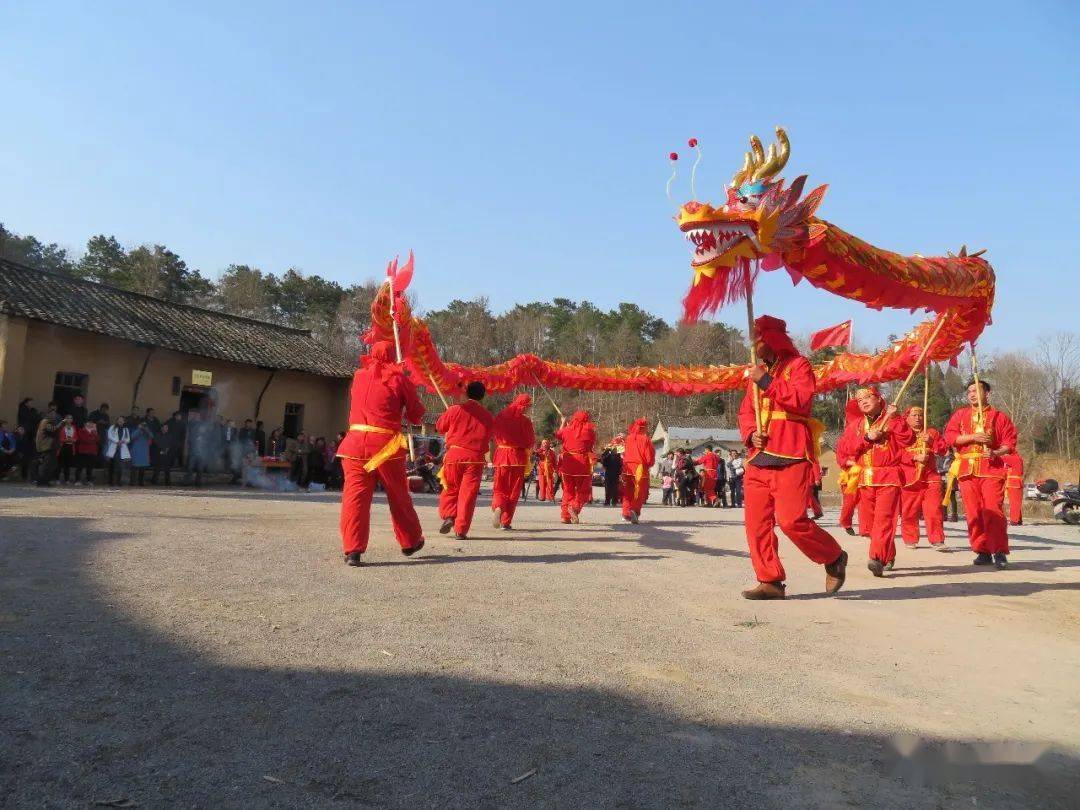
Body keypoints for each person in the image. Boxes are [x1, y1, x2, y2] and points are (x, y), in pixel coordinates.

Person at [739, 315, 848, 600]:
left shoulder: (799, 366)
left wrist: (765, 380)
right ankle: (770, 580)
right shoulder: (757, 372)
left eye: (758, 338)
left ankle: (833, 556)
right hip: (758, 458)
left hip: (791, 454)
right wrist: (751, 434)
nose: (754, 344)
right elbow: (746, 413)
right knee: (756, 524)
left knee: (791, 521)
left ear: (772, 339)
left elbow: (801, 401)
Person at [336, 341, 427, 565]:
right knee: (398, 496)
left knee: (354, 498)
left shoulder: (358, 376)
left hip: (354, 445)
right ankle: (410, 541)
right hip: (386, 447)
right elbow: (416, 413)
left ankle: (353, 549)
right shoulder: (398, 378)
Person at [837, 387, 913, 576]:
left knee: (884, 519)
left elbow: (908, 440)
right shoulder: (855, 426)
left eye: (867, 397)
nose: (863, 401)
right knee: (870, 525)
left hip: (888, 477)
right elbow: (845, 450)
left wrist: (895, 419)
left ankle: (876, 558)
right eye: (859, 399)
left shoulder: (892, 419)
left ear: (879, 399)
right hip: (864, 479)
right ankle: (887, 553)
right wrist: (866, 438)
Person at [943, 379, 1018, 568]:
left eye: (976, 390)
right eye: (969, 391)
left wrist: (995, 452)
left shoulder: (999, 417)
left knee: (993, 510)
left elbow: (1009, 443)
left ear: (987, 393)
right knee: (973, 512)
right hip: (967, 470)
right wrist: (972, 437)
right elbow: (950, 437)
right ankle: (981, 550)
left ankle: (999, 551)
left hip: (991, 469)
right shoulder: (960, 415)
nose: (972, 394)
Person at [437, 381, 495, 539]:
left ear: (467, 392)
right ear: (482, 396)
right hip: (475, 458)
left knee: (451, 489)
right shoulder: (488, 417)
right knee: (467, 495)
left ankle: (449, 515)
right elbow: (489, 438)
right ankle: (461, 529)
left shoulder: (455, 409)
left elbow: (440, 427)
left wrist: (449, 415)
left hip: (455, 455)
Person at [898, 406, 948, 549]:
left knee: (934, 509)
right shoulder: (901, 434)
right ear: (906, 418)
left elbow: (944, 450)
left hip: (930, 477)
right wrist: (914, 457)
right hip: (909, 478)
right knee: (909, 511)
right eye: (914, 415)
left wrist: (932, 441)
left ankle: (937, 539)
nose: (918, 418)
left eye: (920, 415)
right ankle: (910, 538)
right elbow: (896, 454)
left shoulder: (931, 432)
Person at [490, 394, 535, 531]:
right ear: (525, 406)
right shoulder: (525, 421)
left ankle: (498, 507)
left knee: (500, 488)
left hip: (502, 456)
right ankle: (506, 522)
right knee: (513, 491)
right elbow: (529, 442)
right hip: (518, 457)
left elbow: (494, 434)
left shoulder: (500, 416)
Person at [555, 410, 597, 524]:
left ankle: (565, 516)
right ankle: (574, 507)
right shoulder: (589, 431)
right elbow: (591, 445)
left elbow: (558, 435)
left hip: (568, 463)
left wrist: (563, 423)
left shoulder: (567, 430)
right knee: (584, 490)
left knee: (568, 491)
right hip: (582, 464)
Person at [620, 418, 655, 524]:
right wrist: (650, 464)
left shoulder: (628, 438)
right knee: (639, 492)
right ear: (644, 428)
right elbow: (649, 457)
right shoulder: (645, 439)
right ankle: (634, 510)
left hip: (627, 468)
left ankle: (626, 513)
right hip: (640, 468)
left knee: (628, 492)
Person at [34, 403, 61, 486]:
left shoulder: (49, 421)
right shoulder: (46, 421)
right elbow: (52, 430)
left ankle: (46, 480)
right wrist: (61, 423)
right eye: (52, 414)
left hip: (50, 446)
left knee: (52, 465)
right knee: (46, 465)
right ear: (48, 414)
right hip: (47, 446)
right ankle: (41, 481)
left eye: (55, 414)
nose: (54, 415)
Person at [105, 416, 131, 486]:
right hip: (114, 448)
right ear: (116, 421)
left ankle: (118, 481)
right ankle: (111, 482)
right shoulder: (112, 427)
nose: (120, 421)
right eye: (119, 419)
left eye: (122, 420)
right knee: (112, 465)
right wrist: (117, 441)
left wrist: (123, 441)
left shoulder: (125, 429)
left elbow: (128, 439)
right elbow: (109, 436)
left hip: (121, 449)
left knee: (120, 466)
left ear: (124, 421)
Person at [73, 421, 100, 485]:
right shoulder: (81, 430)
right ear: (85, 424)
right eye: (89, 423)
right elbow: (84, 439)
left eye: (92, 423)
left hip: (92, 451)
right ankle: (77, 480)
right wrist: (92, 438)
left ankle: (89, 480)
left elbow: (98, 440)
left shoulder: (94, 432)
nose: (91, 424)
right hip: (83, 451)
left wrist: (95, 433)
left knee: (90, 467)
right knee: (80, 466)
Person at [600, 440, 623, 507]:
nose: (614, 450)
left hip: (614, 473)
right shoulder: (608, 455)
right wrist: (607, 451)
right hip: (609, 473)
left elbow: (620, 465)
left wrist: (619, 473)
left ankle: (613, 501)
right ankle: (608, 501)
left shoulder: (617, 456)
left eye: (615, 449)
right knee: (608, 488)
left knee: (614, 488)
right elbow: (603, 461)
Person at [1003, 452, 1024, 526]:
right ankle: (1018, 520)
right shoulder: (1016, 458)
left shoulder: (1014, 458)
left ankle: (1014, 520)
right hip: (1013, 483)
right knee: (1016, 502)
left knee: (1014, 502)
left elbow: (1001, 458)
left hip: (1014, 483)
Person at [56, 415, 78, 483]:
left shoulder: (74, 427)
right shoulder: (62, 427)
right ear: (65, 419)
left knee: (67, 464)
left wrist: (73, 440)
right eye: (68, 418)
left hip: (71, 446)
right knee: (60, 463)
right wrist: (65, 440)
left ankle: (67, 479)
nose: (69, 419)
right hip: (63, 446)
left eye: (71, 418)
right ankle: (57, 479)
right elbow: (59, 437)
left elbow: (76, 437)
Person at [129, 419, 152, 486]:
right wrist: (139, 429)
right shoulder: (135, 430)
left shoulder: (147, 432)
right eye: (142, 424)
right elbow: (132, 437)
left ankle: (141, 482)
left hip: (144, 452)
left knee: (142, 468)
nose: (143, 426)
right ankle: (132, 482)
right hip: (136, 451)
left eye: (145, 425)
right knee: (134, 468)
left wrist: (146, 430)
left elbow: (151, 436)